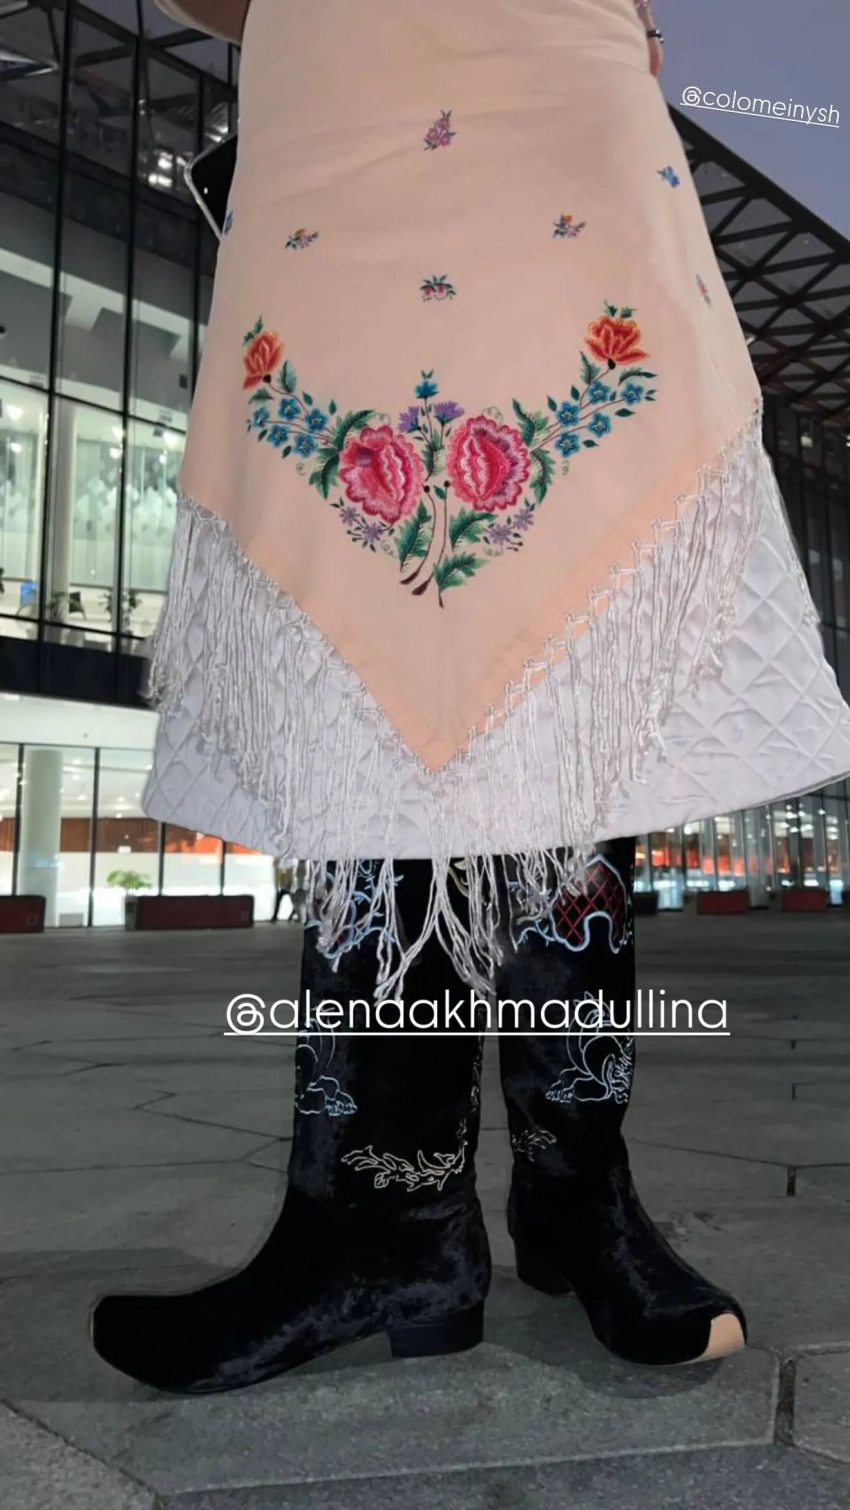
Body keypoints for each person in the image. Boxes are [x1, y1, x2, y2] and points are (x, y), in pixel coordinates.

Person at [92, 0, 850, 1392]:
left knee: (575, 642)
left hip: (547, 78)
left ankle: (570, 1191)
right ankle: (388, 1221)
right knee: (355, 642)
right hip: (335, 87)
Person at [270, 858, 293, 923]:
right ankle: (275, 916)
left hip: (288, 885)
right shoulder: (280, 862)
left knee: (295, 902)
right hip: (283, 885)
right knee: (294, 902)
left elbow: (289, 872)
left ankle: (275, 916)